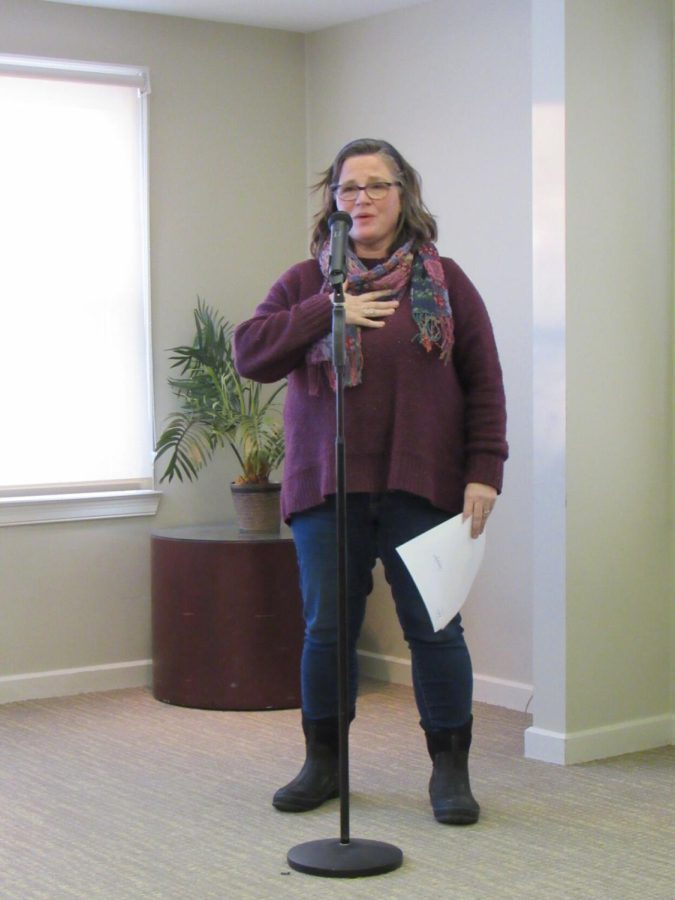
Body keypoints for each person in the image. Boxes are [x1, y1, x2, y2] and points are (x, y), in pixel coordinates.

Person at [233, 138, 508, 826]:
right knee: (327, 631)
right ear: (333, 202)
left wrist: (484, 471)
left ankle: (449, 772)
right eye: (348, 188)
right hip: (327, 489)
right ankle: (323, 763)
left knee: (436, 632)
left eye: (376, 186)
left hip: (425, 488)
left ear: (403, 195)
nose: (361, 199)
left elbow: (484, 384)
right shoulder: (306, 283)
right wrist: (324, 313)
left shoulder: (446, 282)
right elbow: (251, 353)